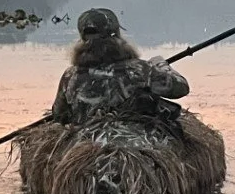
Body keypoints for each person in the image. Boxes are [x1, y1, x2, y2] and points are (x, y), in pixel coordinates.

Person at [48, 8, 190, 128]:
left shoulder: (70, 75)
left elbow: (59, 115)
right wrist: (159, 63)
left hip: (85, 145)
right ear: (116, 34)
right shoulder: (140, 70)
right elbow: (181, 87)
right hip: (135, 143)